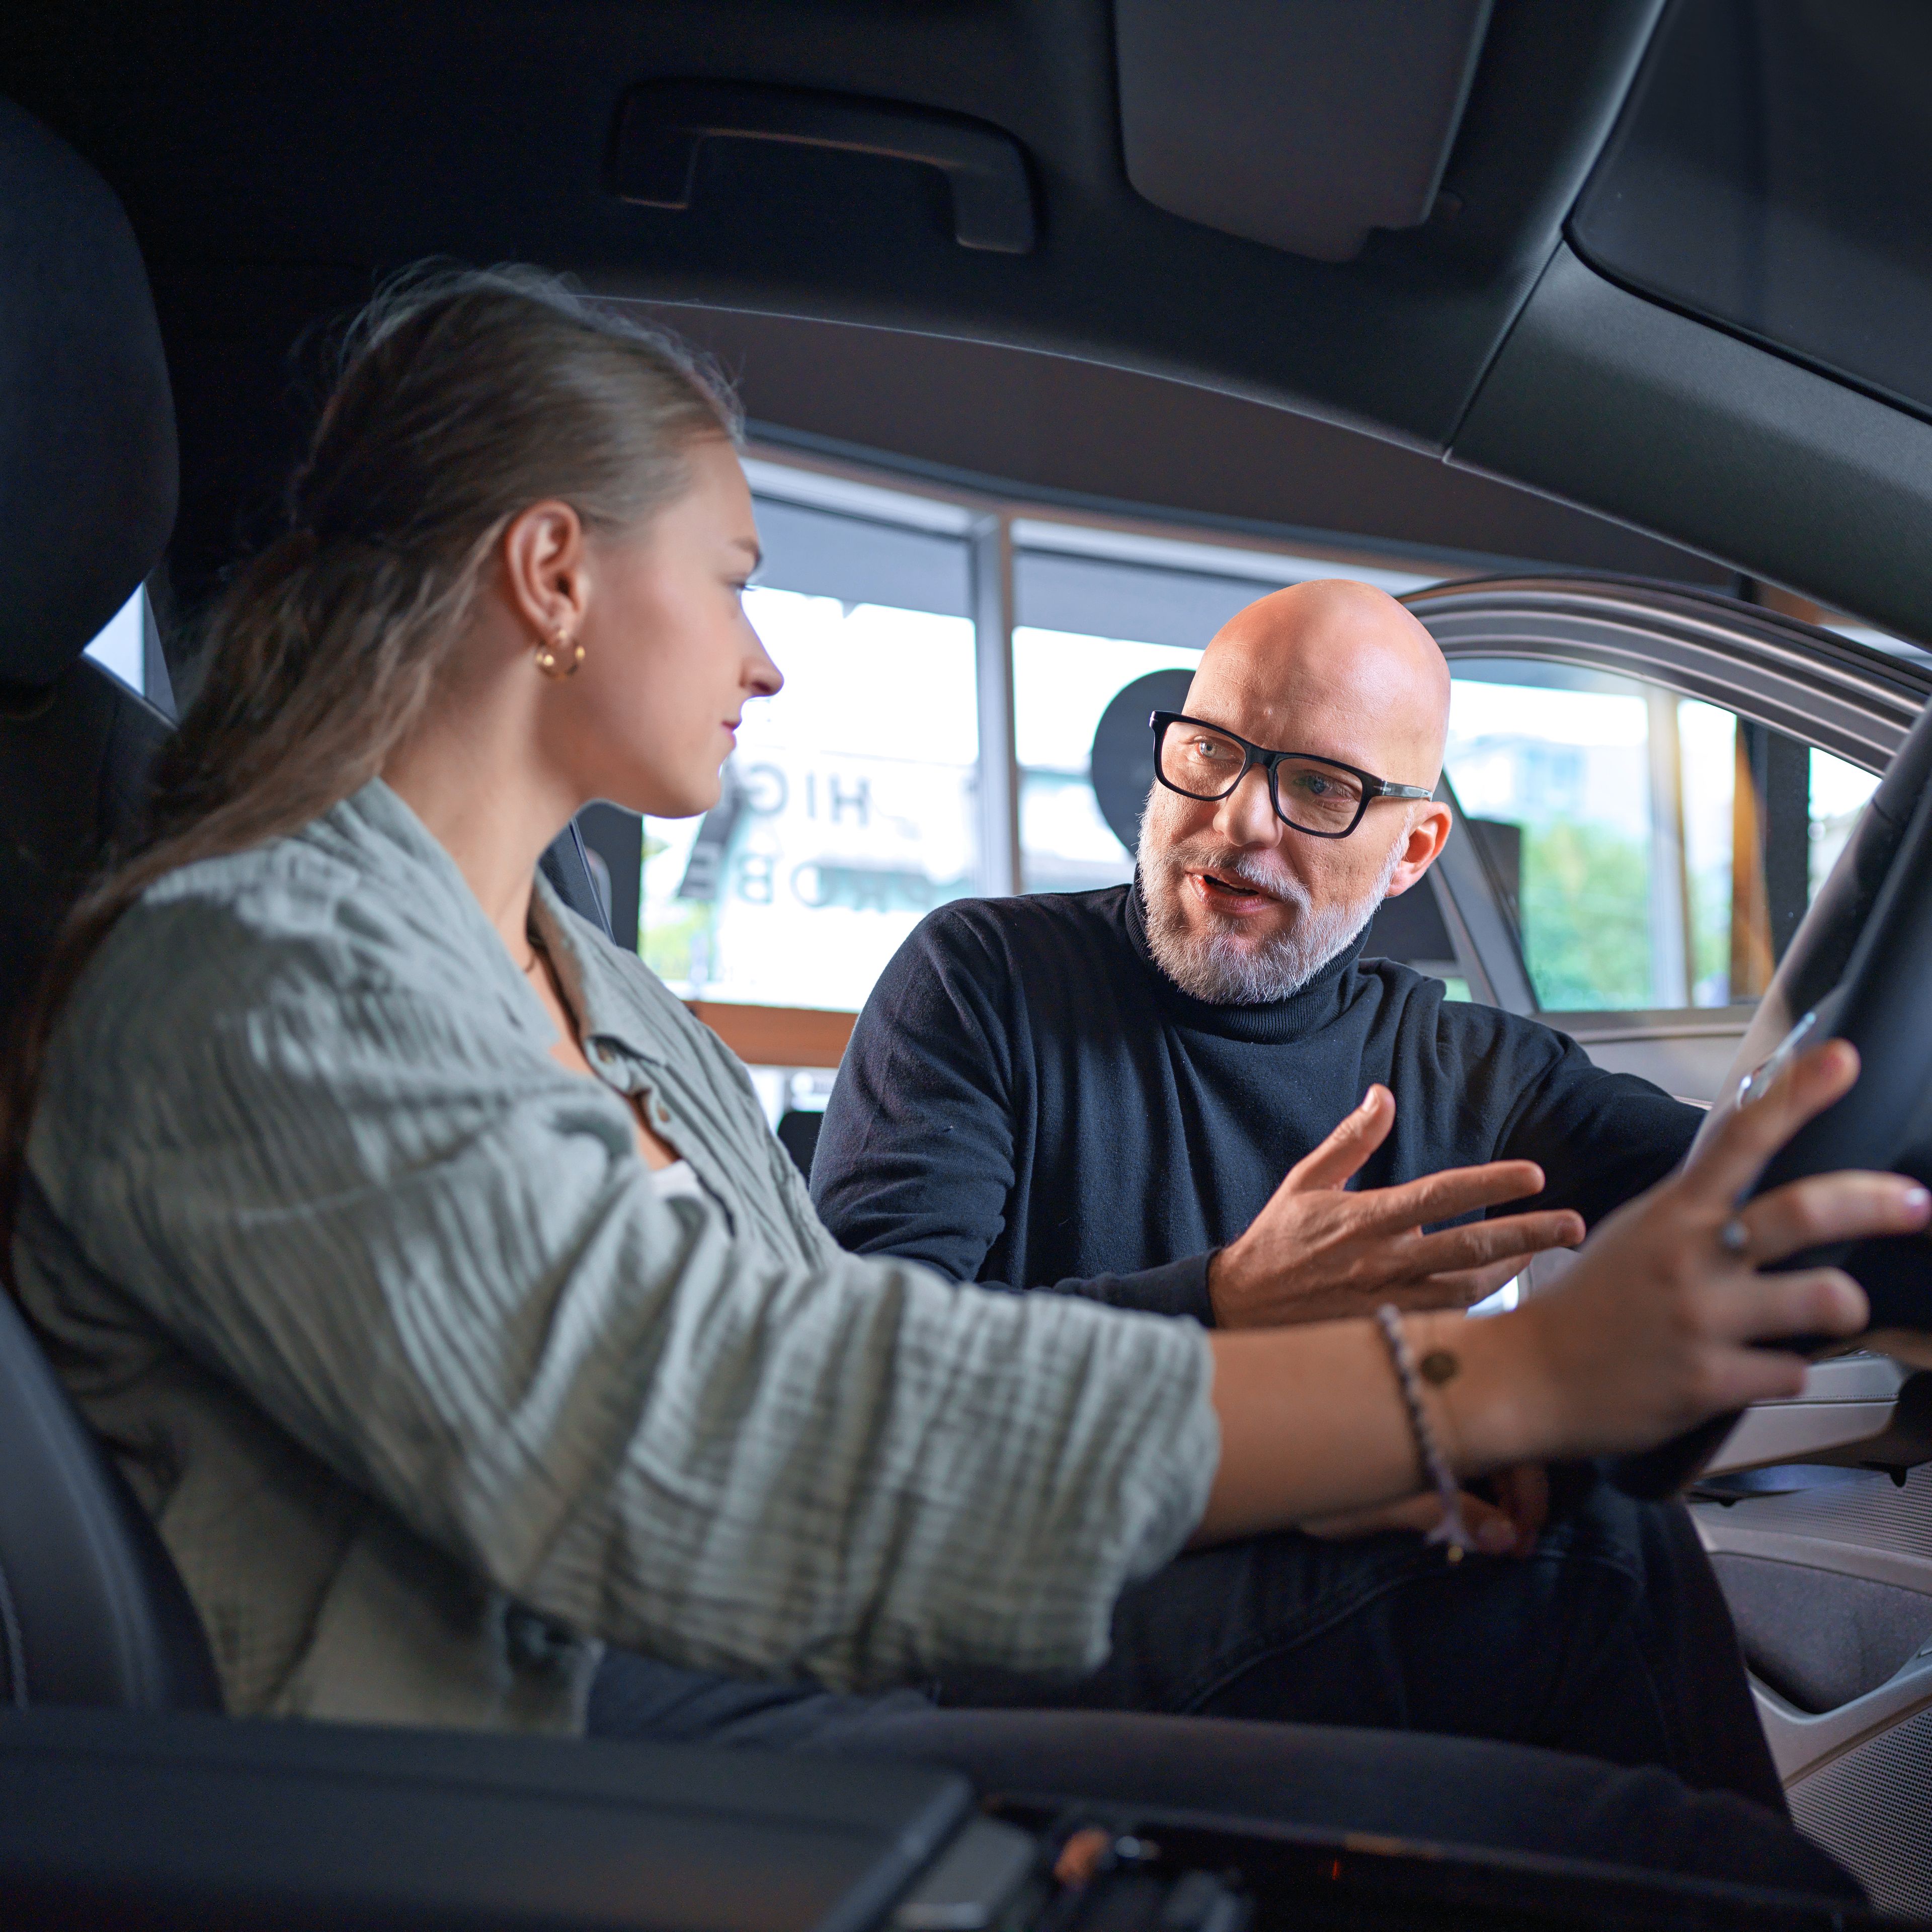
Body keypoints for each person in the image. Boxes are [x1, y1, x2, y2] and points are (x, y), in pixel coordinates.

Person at [7, 270, 1923, 1899]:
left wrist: (1362, 1445)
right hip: (599, 1762)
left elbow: (804, 1339)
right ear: (553, 574)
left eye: (1326, 793)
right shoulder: (259, 975)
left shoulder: (584, 978)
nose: (763, 660)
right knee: (1656, 1805)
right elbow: (714, 1439)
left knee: (1592, 1597)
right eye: (737, 574)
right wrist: (1460, 1384)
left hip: (812, 1652)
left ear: (1409, 851)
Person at [810, 583, 1787, 1798]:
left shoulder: (1463, 1064)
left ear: (1412, 851)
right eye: (1212, 753)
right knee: (1600, 1561)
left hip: (1292, 1604)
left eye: (1321, 788)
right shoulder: (981, 981)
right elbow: (854, 1385)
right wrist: (1223, 1304)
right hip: (1003, 1629)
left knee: (1574, 1520)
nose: (1238, 821)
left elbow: (1761, 1192)